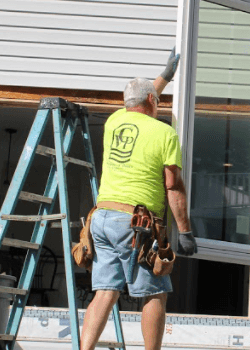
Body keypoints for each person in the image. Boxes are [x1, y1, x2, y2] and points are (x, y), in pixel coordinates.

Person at [80, 49, 198, 350]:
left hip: (102, 218)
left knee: (105, 291)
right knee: (154, 292)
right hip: (136, 224)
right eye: (156, 100)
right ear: (151, 102)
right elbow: (173, 186)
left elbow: (143, 97)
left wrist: (165, 76)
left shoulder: (115, 121)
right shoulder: (164, 133)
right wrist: (184, 231)